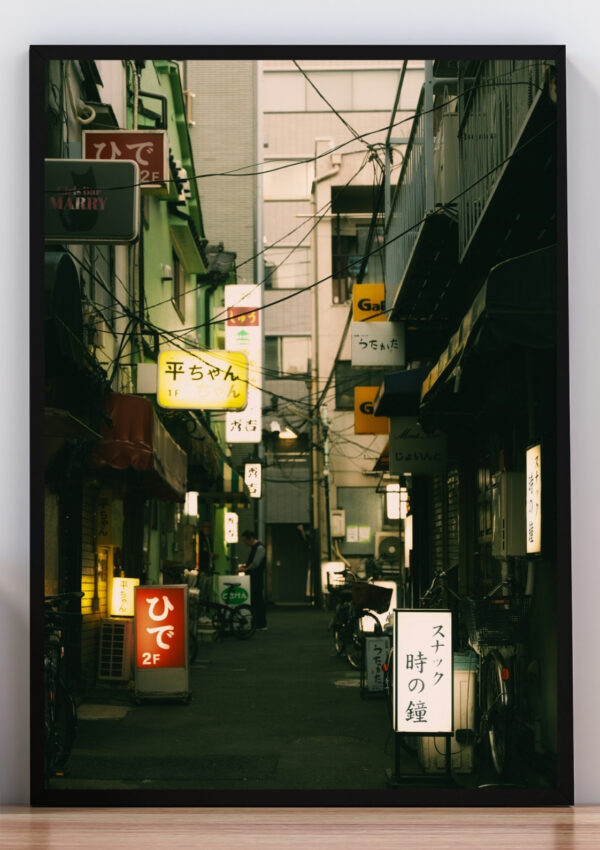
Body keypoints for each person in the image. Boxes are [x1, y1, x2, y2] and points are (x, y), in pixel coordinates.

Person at [239, 529, 267, 630]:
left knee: (257, 600)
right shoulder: (256, 547)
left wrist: (244, 569)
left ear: (250, 539)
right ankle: (258, 623)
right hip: (255, 578)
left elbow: (255, 564)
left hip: (256, 578)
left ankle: (261, 624)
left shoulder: (259, 548)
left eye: (245, 541)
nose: (245, 543)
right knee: (256, 600)